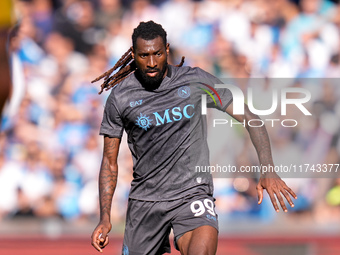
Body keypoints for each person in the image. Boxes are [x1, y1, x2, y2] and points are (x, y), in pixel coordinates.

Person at [91, 21, 297, 255]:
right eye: (143, 55)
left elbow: (250, 116)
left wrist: (267, 168)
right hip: (146, 202)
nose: (151, 63)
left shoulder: (195, 81)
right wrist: (105, 217)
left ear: (167, 49)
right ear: (133, 54)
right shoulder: (121, 97)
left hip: (192, 194)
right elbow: (109, 162)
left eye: (157, 54)